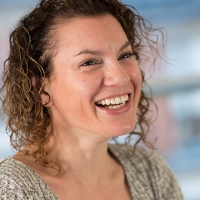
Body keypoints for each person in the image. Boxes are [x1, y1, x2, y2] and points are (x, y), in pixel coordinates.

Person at [0, 0, 183, 199]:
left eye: (125, 55)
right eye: (89, 62)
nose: (121, 77)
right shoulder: (10, 191)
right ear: (40, 90)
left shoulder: (151, 172)